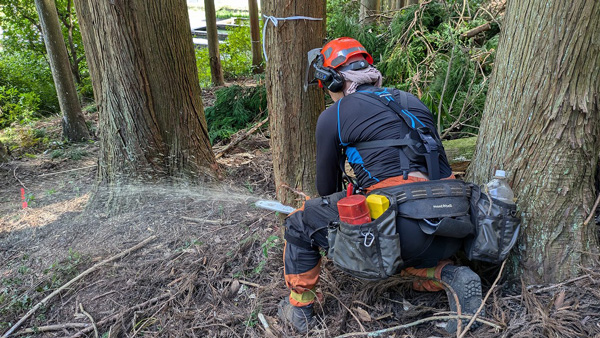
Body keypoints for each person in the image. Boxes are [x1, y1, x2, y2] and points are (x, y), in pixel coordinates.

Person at [278, 37, 483, 334]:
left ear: (332, 81)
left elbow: (326, 187)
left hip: (403, 226)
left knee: (300, 223)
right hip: (454, 223)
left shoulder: (334, 114)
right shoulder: (411, 100)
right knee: (399, 235)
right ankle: (449, 274)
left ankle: (299, 310)